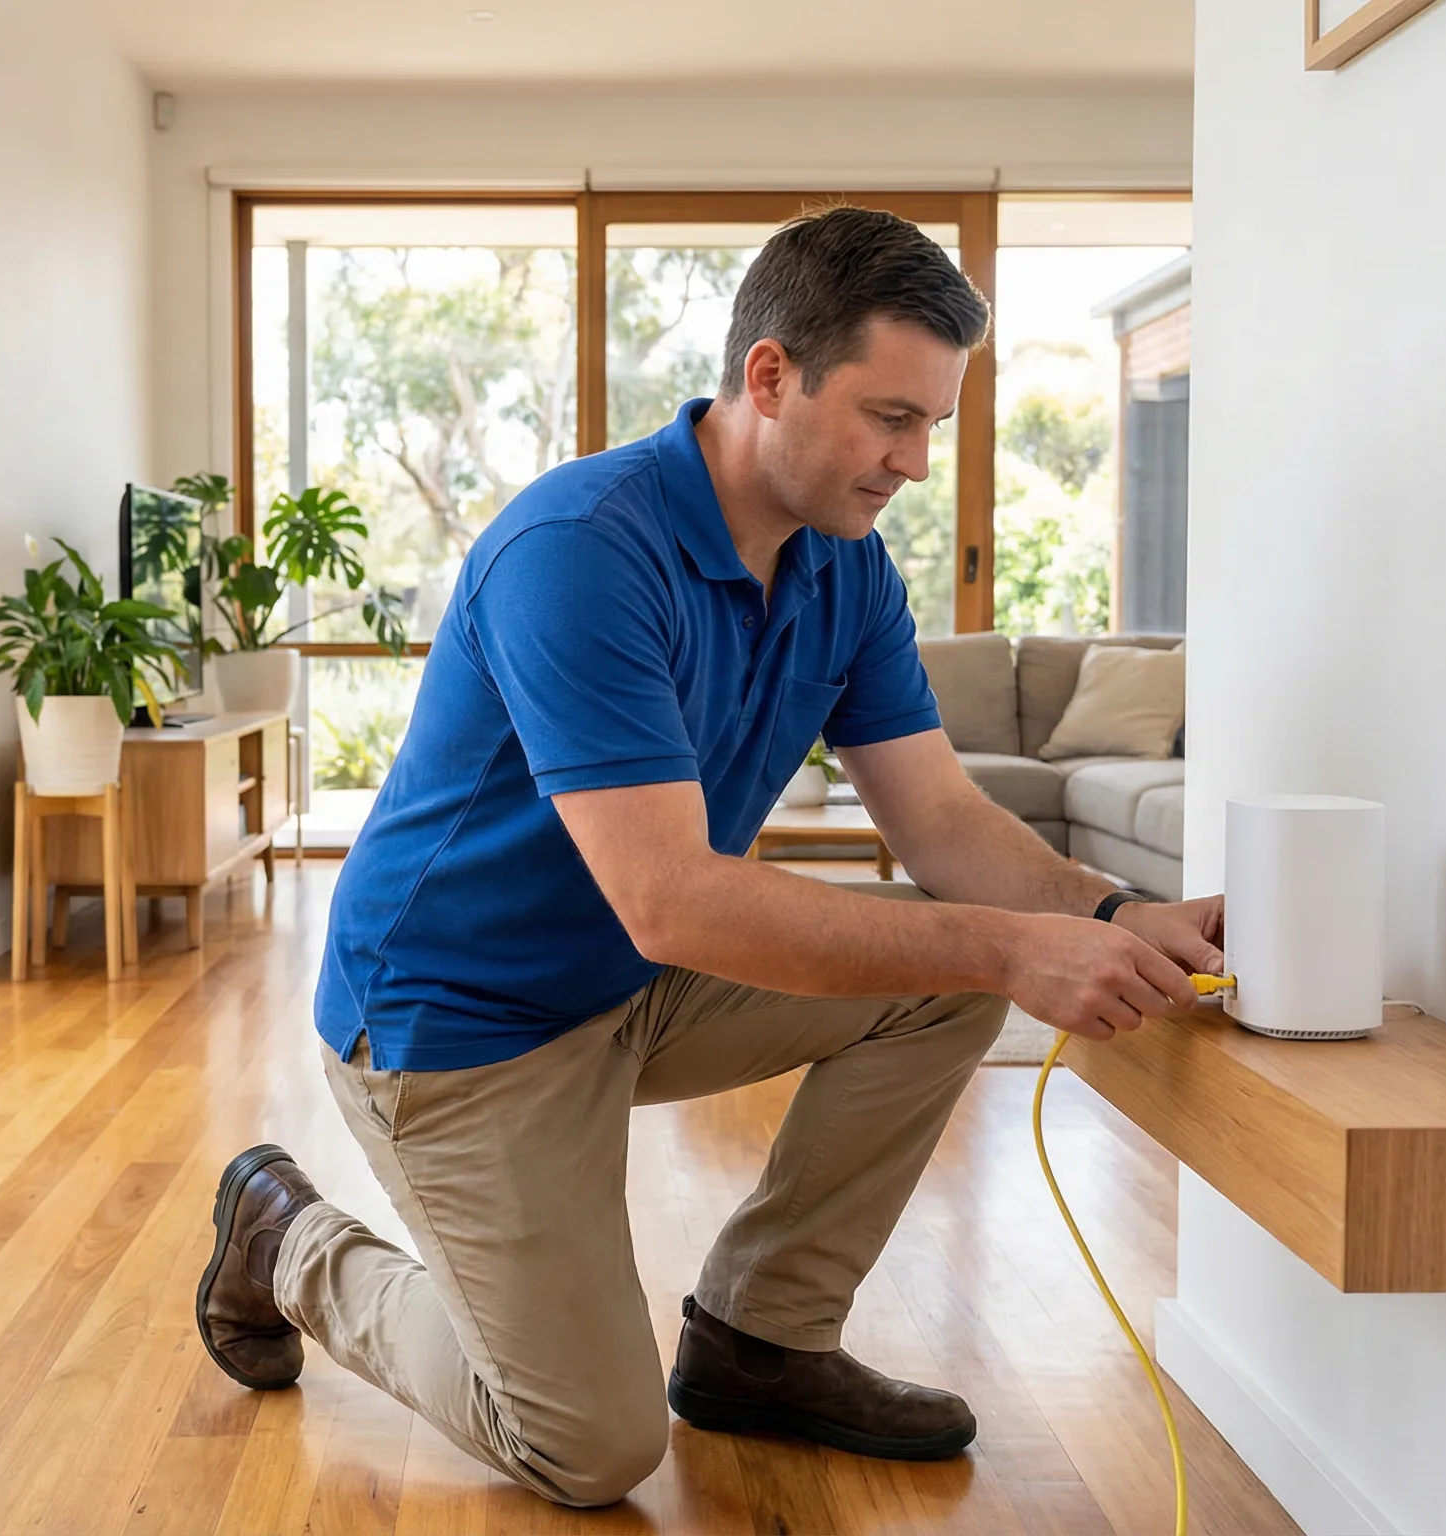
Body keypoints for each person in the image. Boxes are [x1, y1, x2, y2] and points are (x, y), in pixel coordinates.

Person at [194, 206, 1225, 1508]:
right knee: (590, 1448)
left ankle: (760, 1341)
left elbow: (943, 826)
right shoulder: (582, 553)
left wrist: (1117, 913)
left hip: (630, 986)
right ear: (771, 376)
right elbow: (671, 897)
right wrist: (1020, 943)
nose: (914, 463)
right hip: (456, 1023)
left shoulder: (844, 570)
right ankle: (288, 1238)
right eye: (890, 418)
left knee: (954, 975)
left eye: (930, 428)